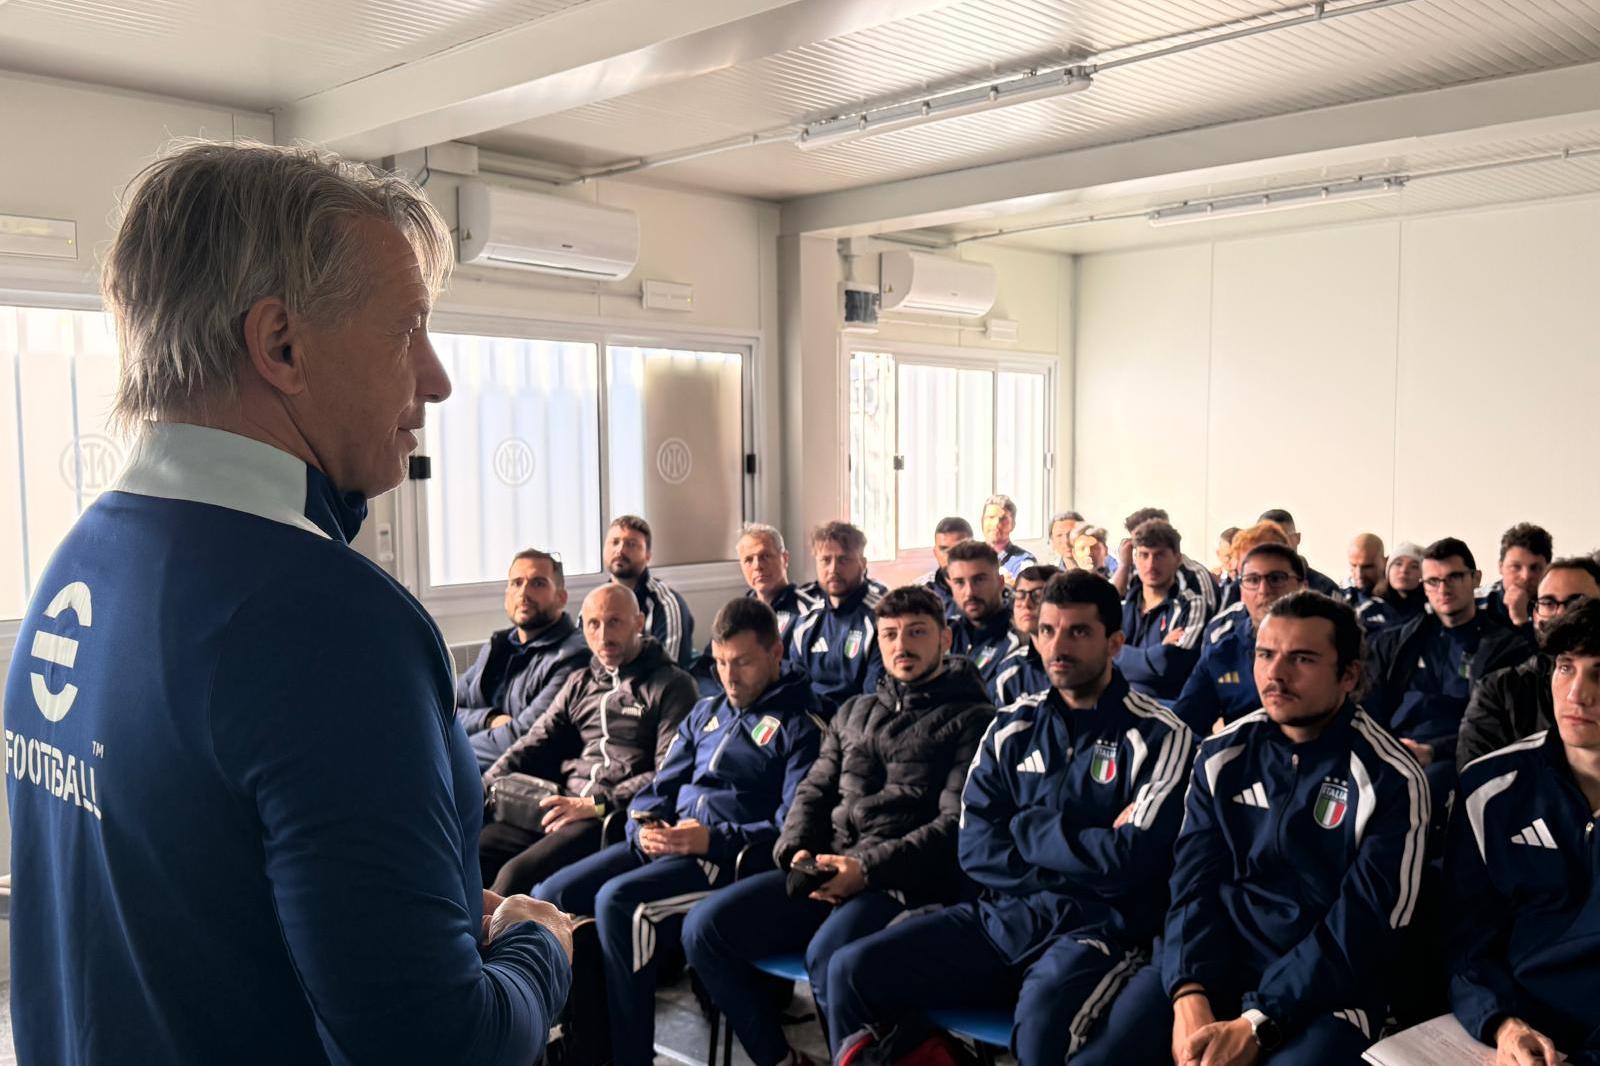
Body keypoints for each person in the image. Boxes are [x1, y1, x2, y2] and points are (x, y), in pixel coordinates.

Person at [2, 141, 575, 1065]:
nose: (437, 378)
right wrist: (537, 948)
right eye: (408, 330)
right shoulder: (328, 621)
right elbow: (444, 1048)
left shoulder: (80, 561)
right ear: (281, 346)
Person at [827, 571, 1195, 1066]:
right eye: (1047, 630)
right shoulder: (1011, 725)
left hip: (1095, 930)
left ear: (1115, 643)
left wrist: (1026, 826)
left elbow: (1131, 862)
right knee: (852, 971)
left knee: (1041, 1029)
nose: (1057, 646)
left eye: (1078, 632)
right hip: (999, 917)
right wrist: (1081, 855)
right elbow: (975, 849)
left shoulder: (1162, 735)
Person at [1100, 592, 1431, 1066]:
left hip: (1327, 989)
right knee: (1106, 1056)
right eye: (1265, 654)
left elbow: (1364, 928)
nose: (1275, 673)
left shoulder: (1391, 777)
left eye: (1302, 658)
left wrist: (1258, 1021)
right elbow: (1191, 885)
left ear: (1349, 675)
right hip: (1214, 961)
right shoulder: (1221, 753)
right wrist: (1189, 990)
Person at [682, 586, 994, 1063]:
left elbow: (953, 826)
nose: (901, 645)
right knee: (705, 928)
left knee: (830, 959)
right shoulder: (854, 711)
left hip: (903, 882)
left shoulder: (975, 720)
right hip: (829, 868)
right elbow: (813, 790)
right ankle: (779, 1059)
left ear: (945, 639)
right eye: (889, 634)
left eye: (916, 632)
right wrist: (797, 851)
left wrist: (864, 870)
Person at [532, 599, 823, 1066]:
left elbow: (791, 828)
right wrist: (644, 824)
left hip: (725, 860)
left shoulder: (801, 727)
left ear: (776, 654)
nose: (729, 677)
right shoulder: (706, 713)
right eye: (721, 663)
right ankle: (586, 1048)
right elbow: (658, 788)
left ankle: (631, 1059)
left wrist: (711, 838)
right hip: (667, 843)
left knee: (621, 904)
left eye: (743, 662)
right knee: (551, 896)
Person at [1446, 598, 1600, 1066]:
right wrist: (1502, 1021)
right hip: (1519, 1026)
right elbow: (1466, 941)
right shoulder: (1490, 788)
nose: (1577, 695)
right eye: (1565, 668)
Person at [479, 584, 698, 895]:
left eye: (615, 622)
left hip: (608, 816)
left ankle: (501, 929)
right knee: (474, 851)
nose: (604, 635)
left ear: (638, 623)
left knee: (515, 876)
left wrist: (595, 804)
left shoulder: (673, 686)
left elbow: (668, 773)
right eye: (594, 624)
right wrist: (483, 784)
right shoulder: (580, 682)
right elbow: (535, 741)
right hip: (561, 804)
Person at [1365, 537, 1535, 821]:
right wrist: (1386, 748)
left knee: (1418, 792)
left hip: (1457, 757)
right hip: (1393, 749)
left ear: (1475, 578)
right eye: (1433, 581)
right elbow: (1370, 705)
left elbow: (1500, 727)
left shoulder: (1505, 648)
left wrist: (1433, 751)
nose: (1443, 589)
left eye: (1454, 577)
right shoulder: (1398, 643)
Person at [1457, 556, 1600, 765]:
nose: (1561, 614)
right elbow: (1476, 776)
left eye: (1576, 603)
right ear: (1535, 614)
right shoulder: (1498, 689)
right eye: (1548, 603)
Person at [457, 548, 591, 769]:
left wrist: (450, 753)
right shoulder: (497, 647)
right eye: (516, 583)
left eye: (538, 583)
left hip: (524, 773)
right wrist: (488, 719)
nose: (524, 593)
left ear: (561, 598)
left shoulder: (573, 656)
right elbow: (447, 708)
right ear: (506, 596)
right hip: (474, 766)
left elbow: (523, 737)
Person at [1172, 543, 1308, 735]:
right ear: (1242, 592)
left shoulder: (1328, 646)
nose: (1263, 590)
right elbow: (1183, 727)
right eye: (1253, 580)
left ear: (1302, 588)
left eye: (1276, 578)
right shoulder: (1223, 653)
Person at [687, 523, 821, 696]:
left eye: (765, 556)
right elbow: (704, 670)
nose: (757, 566)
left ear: (785, 558)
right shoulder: (735, 613)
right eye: (749, 560)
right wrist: (721, 700)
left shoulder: (810, 614)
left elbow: (805, 678)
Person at [790, 521, 888, 712]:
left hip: (858, 721)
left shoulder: (881, 617)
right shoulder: (806, 620)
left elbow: (874, 698)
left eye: (844, 560)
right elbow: (795, 687)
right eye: (825, 560)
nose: (833, 569)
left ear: (863, 564)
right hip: (811, 720)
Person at [1116, 519, 1208, 701]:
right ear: (1135, 558)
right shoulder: (1123, 604)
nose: (1150, 565)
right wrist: (1156, 652)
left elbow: (1170, 667)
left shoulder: (1192, 605)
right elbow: (1098, 657)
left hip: (1167, 707)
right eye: (1144, 555)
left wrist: (1117, 652)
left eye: (1159, 555)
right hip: (1119, 702)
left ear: (1177, 559)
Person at [606, 514, 696, 667]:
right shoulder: (595, 603)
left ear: (648, 556)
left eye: (631, 544)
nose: (620, 550)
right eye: (614, 542)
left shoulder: (666, 605)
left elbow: (671, 673)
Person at [1113, 507, 1218, 613]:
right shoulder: (1136, 571)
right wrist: (1124, 565)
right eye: (1138, 543)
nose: (1150, 564)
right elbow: (1113, 600)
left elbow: (1209, 614)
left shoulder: (1196, 574)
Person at [946, 539, 1018, 688]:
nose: (969, 592)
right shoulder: (943, 633)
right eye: (959, 582)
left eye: (979, 580)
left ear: (1000, 582)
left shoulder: (1018, 638)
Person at [992, 564, 1060, 707]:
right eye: (1020, 595)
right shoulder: (1011, 670)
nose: (1026, 604)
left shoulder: (1084, 660)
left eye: (1038, 595)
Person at [1477, 522, 1553, 632]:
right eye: (1516, 567)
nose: (1526, 576)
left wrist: (1521, 620)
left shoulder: (1560, 607)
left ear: (1548, 570)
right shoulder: (1473, 604)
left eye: (1535, 568)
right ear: (1500, 567)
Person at [1256, 508, 1340, 596]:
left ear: (1297, 538)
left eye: (1282, 538)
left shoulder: (1325, 589)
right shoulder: (1247, 588)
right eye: (1266, 539)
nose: (1274, 545)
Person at [1355, 541, 1427, 633]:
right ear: (1388, 569)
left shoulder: (1431, 608)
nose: (1404, 570)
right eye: (1398, 564)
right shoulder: (1367, 606)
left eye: (1414, 566)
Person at [915, 516, 976, 618]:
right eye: (944, 549)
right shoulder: (918, 591)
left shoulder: (992, 586)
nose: (950, 555)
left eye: (958, 548)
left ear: (973, 548)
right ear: (935, 553)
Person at [982, 494, 1038, 584]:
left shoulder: (1024, 561)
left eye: (1003, 519)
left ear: (1013, 524)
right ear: (982, 521)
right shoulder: (971, 557)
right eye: (991, 517)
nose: (996, 523)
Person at [1343, 532, 1388, 609]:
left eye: (1367, 566)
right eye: (1353, 566)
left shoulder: (1400, 590)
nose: (1359, 574)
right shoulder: (1342, 592)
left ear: (1385, 562)